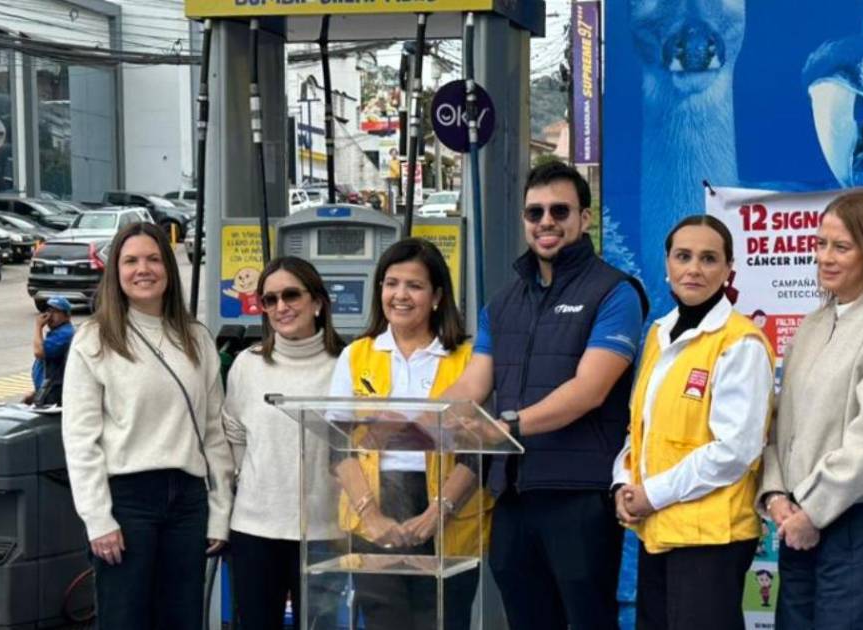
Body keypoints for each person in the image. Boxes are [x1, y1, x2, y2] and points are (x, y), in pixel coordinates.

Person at [438, 161, 648, 629]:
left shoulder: (616, 293)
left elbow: (590, 390)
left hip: (580, 495)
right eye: (535, 212)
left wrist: (507, 427)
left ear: (584, 218)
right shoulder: (503, 303)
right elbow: (473, 384)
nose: (546, 222)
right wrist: (426, 417)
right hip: (513, 495)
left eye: (559, 211)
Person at [757, 191, 863, 629]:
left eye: (842, 247)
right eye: (820, 244)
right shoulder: (812, 325)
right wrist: (776, 495)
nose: (825, 257)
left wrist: (812, 511)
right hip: (800, 527)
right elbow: (780, 426)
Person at [62, 222, 234, 630]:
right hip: (127, 501)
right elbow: (80, 439)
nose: (143, 269)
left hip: (188, 501)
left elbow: (214, 432)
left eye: (154, 259)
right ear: (116, 272)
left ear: (169, 268)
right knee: (125, 619)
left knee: (182, 619)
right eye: (131, 261)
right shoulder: (95, 339)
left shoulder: (196, 338)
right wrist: (98, 519)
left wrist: (220, 509)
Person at [612, 215, 775, 630]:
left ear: (728, 269)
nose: (694, 269)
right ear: (667, 263)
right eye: (683, 256)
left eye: (709, 258)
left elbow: (735, 451)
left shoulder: (740, 342)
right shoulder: (658, 334)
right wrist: (622, 483)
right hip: (659, 530)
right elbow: (641, 429)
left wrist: (652, 494)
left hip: (712, 539)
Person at [329, 238, 490, 629]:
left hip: (447, 508)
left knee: (442, 620)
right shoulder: (357, 354)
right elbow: (337, 445)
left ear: (437, 296)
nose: (400, 295)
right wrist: (372, 516)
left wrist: (437, 512)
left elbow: (479, 449)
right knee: (386, 620)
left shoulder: (468, 358)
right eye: (391, 283)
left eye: (414, 286)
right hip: (373, 505)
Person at [222, 256, 346, 630]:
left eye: (291, 295)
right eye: (270, 299)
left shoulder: (347, 364)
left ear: (317, 301)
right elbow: (234, 435)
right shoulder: (247, 364)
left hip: (325, 532)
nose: (281, 307)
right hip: (254, 531)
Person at [25, 296, 74, 406]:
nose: (50, 315)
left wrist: (38, 326)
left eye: (55, 312)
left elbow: (38, 352)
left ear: (66, 316)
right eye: (49, 311)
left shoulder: (65, 334)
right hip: (46, 390)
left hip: (53, 393)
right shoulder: (57, 332)